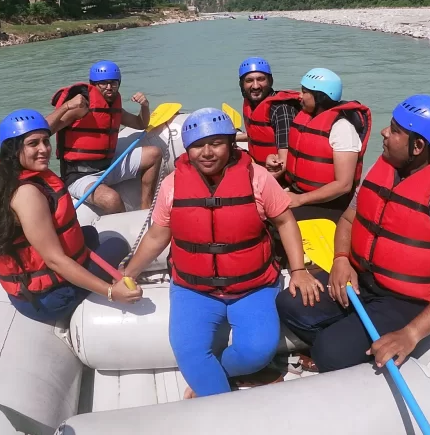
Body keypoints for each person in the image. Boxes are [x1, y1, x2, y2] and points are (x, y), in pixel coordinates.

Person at [277, 95, 430, 372]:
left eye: (394, 130)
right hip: (362, 280)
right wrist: (341, 259)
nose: (383, 132)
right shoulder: (383, 167)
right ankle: (345, 344)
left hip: (408, 300)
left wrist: (411, 334)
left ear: (417, 146)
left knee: (330, 352)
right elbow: (347, 219)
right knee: (290, 305)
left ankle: (338, 350)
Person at [120, 108, 319, 398]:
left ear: (231, 143)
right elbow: (158, 234)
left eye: (216, 143)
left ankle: (211, 378)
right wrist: (128, 273)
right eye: (199, 145)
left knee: (257, 352)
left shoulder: (258, 177)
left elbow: (285, 221)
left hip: (253, 286)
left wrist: (298, 271)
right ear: (188, 150)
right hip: (193, 288)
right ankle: (219, 395)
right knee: (188, 351)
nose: (207, 152)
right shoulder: (172, 184)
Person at [0, 109, 141, 324]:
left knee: (90, 234)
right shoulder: (27, 194)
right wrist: (112, 292)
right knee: (116, 244)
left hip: (27, 287)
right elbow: (55, 260)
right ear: (14, 148)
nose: (44, 149)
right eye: (33, 143)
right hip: (49, 300)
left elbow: (2, 228)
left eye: (46, 141)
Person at [46, 60, 162, 214]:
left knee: (154, 154)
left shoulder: (113, 108)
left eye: (113, 83)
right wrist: (66, 106)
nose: (109, 88)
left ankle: (145, 209)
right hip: (79, 176)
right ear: (93, 84)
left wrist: (145, 106)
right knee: (111, 199)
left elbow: (140, 123)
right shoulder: (80, 109)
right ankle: (124, 227)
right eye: (104, 83)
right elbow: (43, 130)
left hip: (108, 166)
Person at [282, 68, 372, 222]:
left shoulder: (342, 128)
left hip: (331, 205)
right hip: (300, 193)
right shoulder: (306, 118)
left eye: (304, 92)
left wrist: (300, 199)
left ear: (320, 97)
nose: (299, 96)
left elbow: (343, 185)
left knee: (276, 219)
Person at [237, 56, 300, 176]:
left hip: (279, 177)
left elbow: (284, 164)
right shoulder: (251, 103)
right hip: (259, 166)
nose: (255, 86)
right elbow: (258, 135)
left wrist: (256, 184)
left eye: (261, 79)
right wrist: (230, 138)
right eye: (249, 80)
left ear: (270, 81)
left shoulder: (281, 110)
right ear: (242, 84)